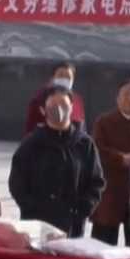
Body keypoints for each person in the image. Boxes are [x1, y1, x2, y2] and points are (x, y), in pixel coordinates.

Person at [10, 85, 104, 238]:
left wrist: (82, 209)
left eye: (64, 105)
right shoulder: (31, 144)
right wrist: (33, 208)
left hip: (72, 225)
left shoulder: (84, 144)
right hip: (37, 224)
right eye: (53, 106)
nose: (59, 110)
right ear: (43, 110)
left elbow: (96, 182)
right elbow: (17, 183)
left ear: (72, 107)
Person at [90, 79, 130, 245]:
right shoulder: (104, 122)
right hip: (110, 193)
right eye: (126, 94)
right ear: (118, 98)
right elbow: (97, 150)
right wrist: (121, 159)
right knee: (102, 245)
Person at [24, 61, 85, 133]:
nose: (65, 79)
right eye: (61, 75)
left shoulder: (77, 100)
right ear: (52, 78)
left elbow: (82, 126)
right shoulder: (39, 98)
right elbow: (31, 128)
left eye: (68, 77)